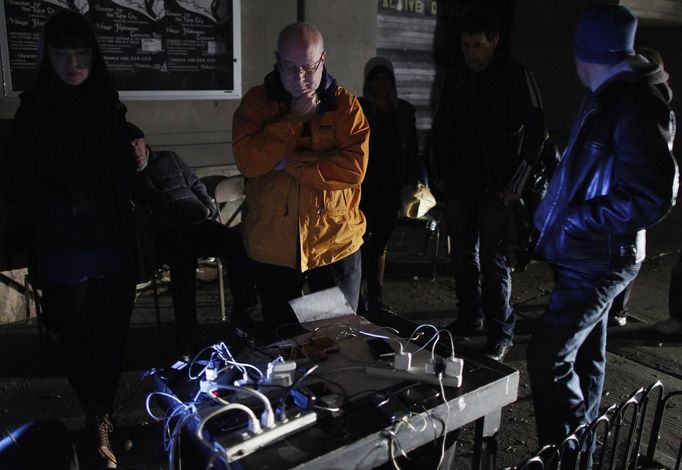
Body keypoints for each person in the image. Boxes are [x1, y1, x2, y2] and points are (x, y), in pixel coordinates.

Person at [527, 4, 678, 447]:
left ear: (584, 53)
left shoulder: (631, 100)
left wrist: (577, 220)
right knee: (585, 357)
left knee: (548, 358)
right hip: (590, 252)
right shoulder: (612, 94)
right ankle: (582, 449)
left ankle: (566, 454)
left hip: (598, 257)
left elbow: (652, 193)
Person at [0, 11, 139, 468]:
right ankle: (97, 420)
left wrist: (140, 151)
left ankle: (103, 418)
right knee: (80, 337)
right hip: (65, 245)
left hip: (111, 240)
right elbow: (20, 183)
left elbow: (122, 152)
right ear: (48, 57)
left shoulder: (106, 100)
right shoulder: (35, 109)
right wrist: (63, 205)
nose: (73, 63)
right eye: (62, 54)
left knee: (113, 334)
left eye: (81, 53)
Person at [232, 22, 369, 341]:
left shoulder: (346, 107)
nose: (300, 78)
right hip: (274, 248)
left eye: (309, 67)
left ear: (324, 59)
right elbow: (249, 161)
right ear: (277, 61)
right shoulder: (256, 104)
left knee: (335, 338)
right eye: (290, 67)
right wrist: (293, 119)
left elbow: (353, 169)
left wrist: (289, 162)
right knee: (283, 341)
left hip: (333, 244)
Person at [432, 7, 546, 361]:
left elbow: (537, 130)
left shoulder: (515, 76)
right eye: (466, 45)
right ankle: (471, 317)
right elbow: (440, 129)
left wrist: (516, 182)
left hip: (497, 187)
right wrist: (441, 179)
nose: (471, 53)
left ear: (493, 43)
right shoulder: (456, 77)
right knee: (464, 256)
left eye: (477, 45)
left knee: (494, 263)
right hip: (462, 185)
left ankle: (501, 331)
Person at [127, 122, 259, 351]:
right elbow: (150, 206)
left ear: (144, 142)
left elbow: (195, 184)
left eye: (136, 143)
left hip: (197, 222)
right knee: (182, 261)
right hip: (166, 233)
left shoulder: (169, 159)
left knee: (236, 243)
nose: (134, 150)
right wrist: (138, 175)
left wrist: (208, 207)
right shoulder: (129, 176)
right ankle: (186, 330)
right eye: (127, 147)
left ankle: (244, 309)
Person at [608, 46, 677, 328]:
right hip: (631, 189)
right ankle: (616, 309)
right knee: (627, 249)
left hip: (634, 189)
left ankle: (617, 309)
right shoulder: (654, 103)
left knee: (628, 249)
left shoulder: (652, 106)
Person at [358, 57, 419, 315]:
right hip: (364, 184)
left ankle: (375, 294)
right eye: (375, 79)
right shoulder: (360, 108)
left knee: (380, 242)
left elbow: (412, 148)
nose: (380, 84)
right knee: (360, 240)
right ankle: (358, 293)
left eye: (385, 79)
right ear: (368, 82)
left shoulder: (403, 111)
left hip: (392, 184)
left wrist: (412, 181)